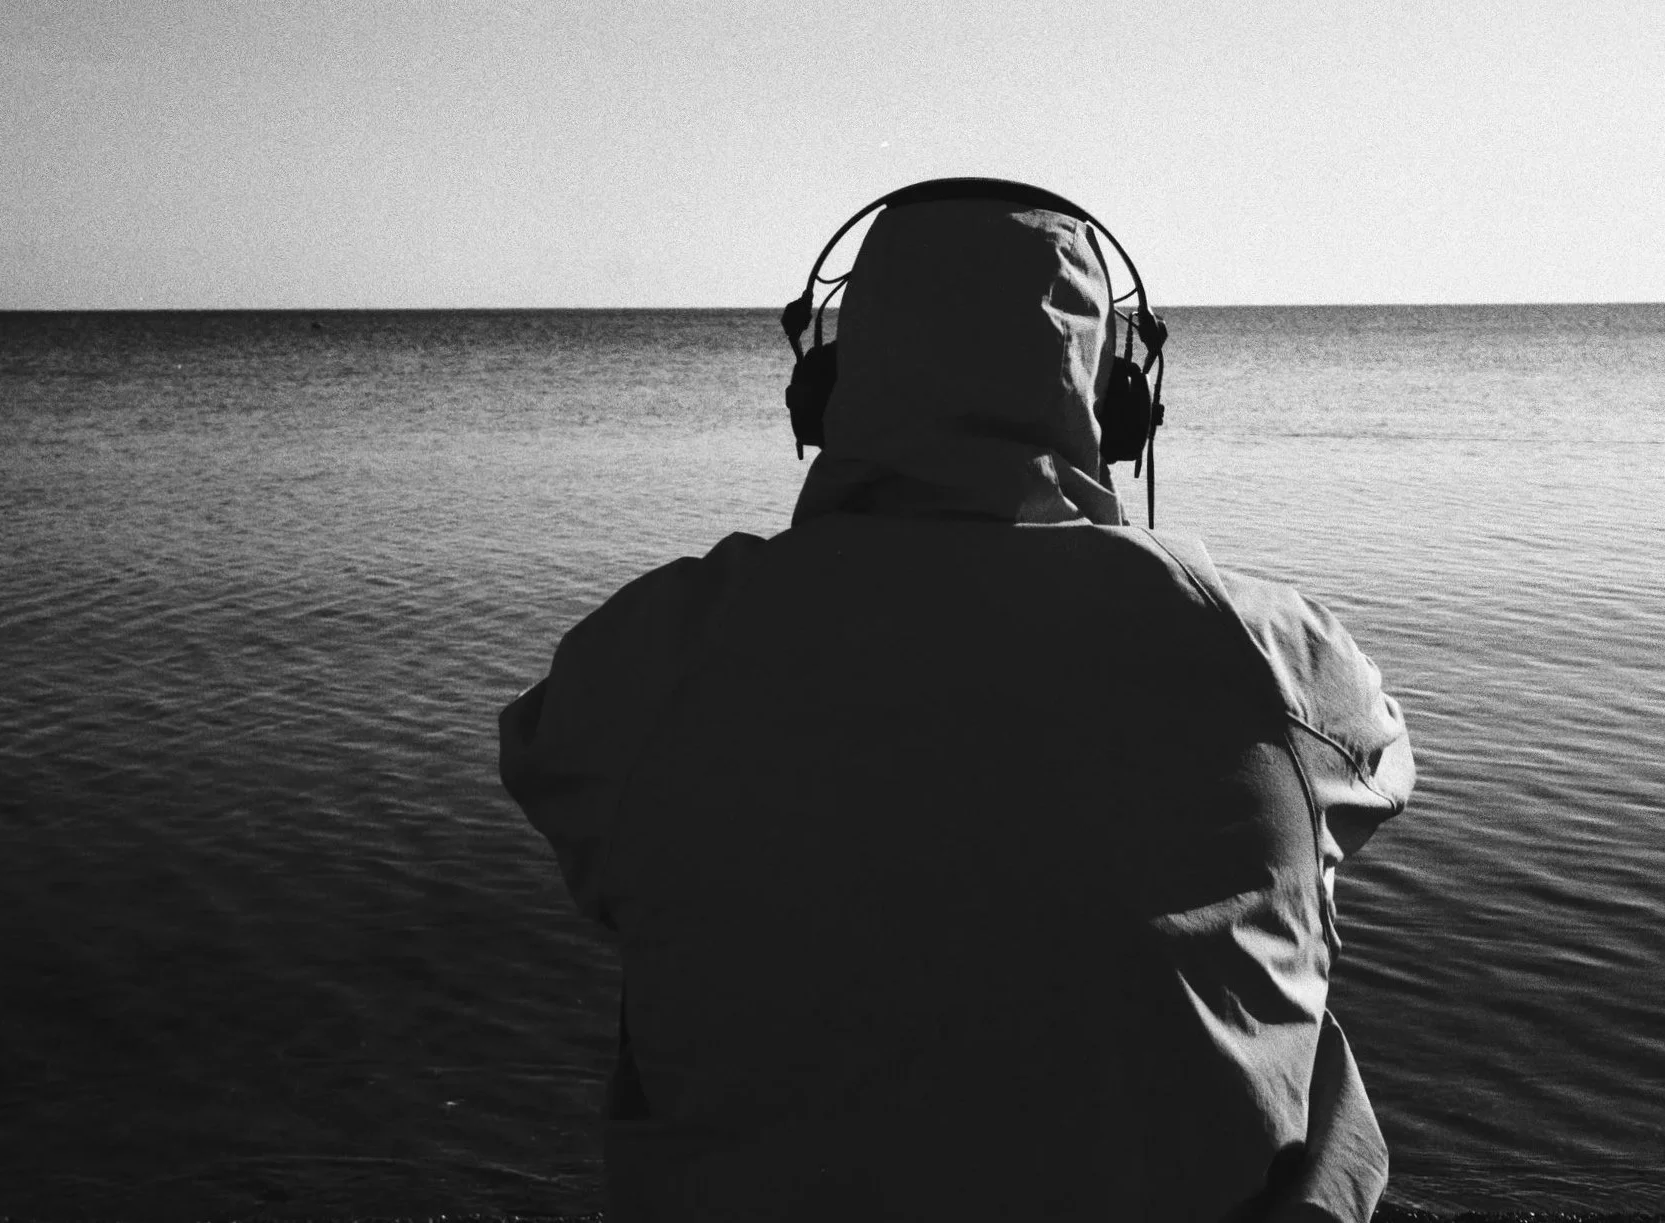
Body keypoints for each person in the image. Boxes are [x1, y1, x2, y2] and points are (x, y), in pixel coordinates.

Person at [498, 180, 1416, 1221]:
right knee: (1303, 970)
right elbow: (1379, 766)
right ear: (1118, 405)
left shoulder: (662, 647)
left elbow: (550, 765)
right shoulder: (1275, 653)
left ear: (828, 390)